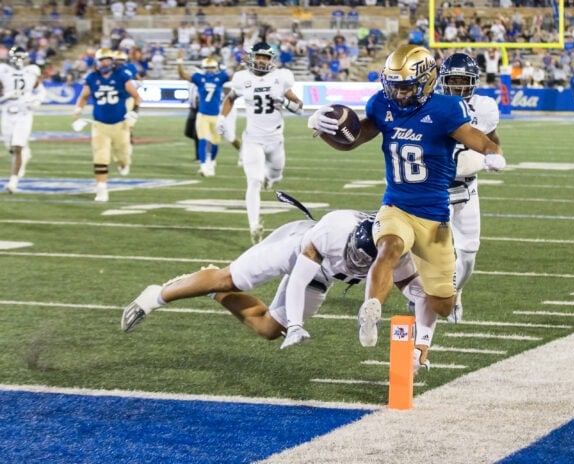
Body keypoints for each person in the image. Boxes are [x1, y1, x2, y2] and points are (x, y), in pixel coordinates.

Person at [308, 44, 504, 348]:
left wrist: (492, 151)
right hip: (396, 204)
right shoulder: (382, 106)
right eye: (394, 86)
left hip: (435, 215)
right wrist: (324, 129)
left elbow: (476, 137)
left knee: (444, 305)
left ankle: (440, 304)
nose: (398, 94)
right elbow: (353, 139)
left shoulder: (445, 109)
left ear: (426, 80)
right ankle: (370, 310)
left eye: (405, 87)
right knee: (389, 248)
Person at [121, 205, 436, 373]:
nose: (355, 264)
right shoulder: (335, 230)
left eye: (364, 262)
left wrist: (423, 343)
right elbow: (298, 279)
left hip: (323, 276)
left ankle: (212, 289)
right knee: (230, 278)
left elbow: (422, 298)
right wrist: (297, 325)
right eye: (353, 255)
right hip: (297, 249)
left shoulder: (396, 254)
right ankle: (155, 297)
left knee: (270, 329)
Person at [438, 52, 503, 323]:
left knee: (468, 254)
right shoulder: (433, 103)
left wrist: (495, 154)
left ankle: (455, 293)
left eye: (462, 81)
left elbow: (491, 138)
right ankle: (423, 294)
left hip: (467, 188)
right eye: (452, 80)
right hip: (435, 187)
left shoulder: (484, 107)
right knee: (429, 249)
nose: (457, 86)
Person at [217, 42, 304, 245]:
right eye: (259, 56)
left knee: (275, 175)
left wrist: (283, 102)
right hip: (252, 139)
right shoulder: (241, 79)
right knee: (253, 181)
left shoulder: (280, 78)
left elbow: (299, 108)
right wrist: (222, 118)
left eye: (265, 57)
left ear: (271, 59)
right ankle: (254, 225)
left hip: (275, 140)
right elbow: (230, 99)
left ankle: (269, 178)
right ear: (251, 57)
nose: (262, 60)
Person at [73, 48, 140, 202]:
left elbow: (136, 97)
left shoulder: (122, 76)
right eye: (102, 60)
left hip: (120, 124)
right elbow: (84, 97)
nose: (105, 63)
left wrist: (134, 112)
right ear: (97, 62)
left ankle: (124, 162)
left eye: (108, 60)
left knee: (123, 158)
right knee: (100, 156)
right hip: (99, 125)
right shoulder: (92, 77)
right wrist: (77, 112)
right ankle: (101, 189)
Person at [177, 51, 230, 177]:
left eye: (212, 68)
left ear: (216, 68)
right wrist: (179, 62)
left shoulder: (221, 77)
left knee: (216, 142)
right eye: (208, 68)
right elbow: (183, 75)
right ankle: (203, 165)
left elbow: (236, 76)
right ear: (203, 68)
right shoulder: (199, 78)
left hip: (216, 115)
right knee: (202, 140)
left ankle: (211, 162)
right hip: (202, 114)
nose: (210, 70)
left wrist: (243, 63)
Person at [1, 46, 45, 193]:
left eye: (21, 57)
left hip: (24, 113)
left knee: (17, 146)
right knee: (10, 147)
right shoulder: (3, 70)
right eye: (17, 57)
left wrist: (37, 100)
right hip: (7, 113)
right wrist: (5, 97)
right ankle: (24, 154)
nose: (19, 60)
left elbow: (40, 89)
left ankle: (13, 182)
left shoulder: (31, 71)